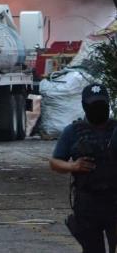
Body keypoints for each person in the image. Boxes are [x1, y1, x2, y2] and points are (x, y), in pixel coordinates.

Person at [49, 84, 117, 253]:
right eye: (94, 106)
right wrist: (73, 166)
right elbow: (55, 162)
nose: (98, 109)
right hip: (88, 202)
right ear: (85, 106)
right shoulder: (73, 131)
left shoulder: (115, 129)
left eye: (101, 105)